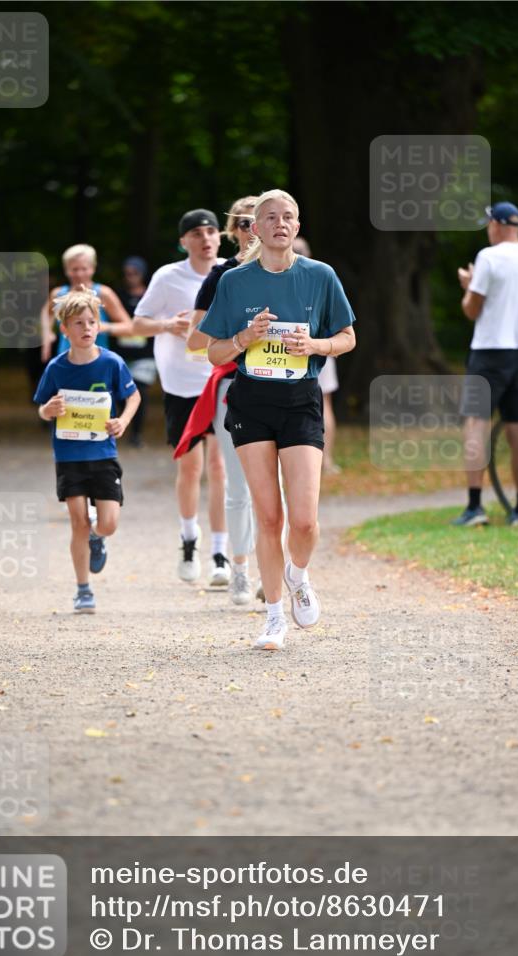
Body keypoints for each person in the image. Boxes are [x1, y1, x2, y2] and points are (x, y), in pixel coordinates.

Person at [201, 189, 356, 650]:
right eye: (270, 217)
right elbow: (212, 352)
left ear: (297, 225)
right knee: (268, 517)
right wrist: (244, 336)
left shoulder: (320, 276)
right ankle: (272, 617)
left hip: (301, 399)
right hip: (251, 402)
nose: (280, 224)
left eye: (288, 216)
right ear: (256, 226)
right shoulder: (235, 282)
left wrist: (317, 347)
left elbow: (347, 336)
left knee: (304, 521)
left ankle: (298, 574)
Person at [132, 209, 230, 586]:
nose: (205, 238)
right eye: (196, 233)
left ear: (219, 237)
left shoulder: (230, 272)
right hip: (181, 384)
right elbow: (138, 322)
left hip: (220, 379)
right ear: (183, 241)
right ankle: (190, 539)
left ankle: (220, 552)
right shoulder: (168, 277)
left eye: (211, 231)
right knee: (190, 467)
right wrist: (167, 325)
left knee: (220, 467)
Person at [33, 289, 140, 614]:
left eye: (92, 322)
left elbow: (133, 397)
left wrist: (122, 421)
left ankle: (98, 536)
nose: (87, 328)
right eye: (78, 323)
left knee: (107, 524)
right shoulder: (56, 368)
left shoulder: (112, 363)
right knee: (77, 522)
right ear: (64, 329)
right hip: (68, 456)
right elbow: (42, 409)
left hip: (103, 455)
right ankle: (83, 590)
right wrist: (48, 411)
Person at [182, 196, 258, 605]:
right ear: (233, 231)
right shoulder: (220, 276)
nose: (252, 228)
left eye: (260, 220)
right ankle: (240, 570)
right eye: (244, 222)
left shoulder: (295, 271)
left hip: (284, 383)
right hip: (233, 384)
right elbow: (195, 339)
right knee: (237, 484)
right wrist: (236, 333)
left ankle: (274, 569)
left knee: (278, 485)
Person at [454, 201, 518, 528]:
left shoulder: (489, 258)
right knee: (517, 428)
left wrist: (468, 286)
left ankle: (475, 504)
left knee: (476, 424)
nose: (487, 228)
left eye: (489, 223)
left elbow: (472, 310)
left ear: (498, 224)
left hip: (490, 351)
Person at [293, 236, 341, 475]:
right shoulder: (320, 279)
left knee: (320, 404)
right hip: (321, 346)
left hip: (311, 348)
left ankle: (321, 458)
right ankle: (326, 460)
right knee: (324, 403)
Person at [40, 244, 132, 362]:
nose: (79, 274)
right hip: (66, 361)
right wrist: (47, 333)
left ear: (93, 268)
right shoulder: (58, 294)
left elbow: (130, 327)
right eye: (74, 269)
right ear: (66, 270)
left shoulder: (104, 294)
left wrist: (102, 327)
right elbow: (46, 313)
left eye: (84, 269)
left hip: (97, 362)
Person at [115, 256, 156, 448]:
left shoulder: (151, 295)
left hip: (144, 355)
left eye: (135, 273)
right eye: (128, 273)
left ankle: (136, 434)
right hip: (120, 354)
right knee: (120, 394)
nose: (131, 276)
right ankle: (123, 424)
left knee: (140, 392)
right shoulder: (118, 296)